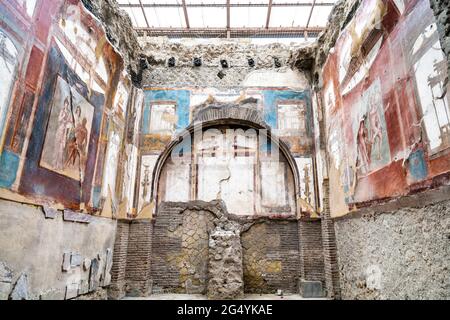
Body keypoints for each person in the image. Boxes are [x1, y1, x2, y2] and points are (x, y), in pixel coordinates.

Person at [55, 98, 73, 170]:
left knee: (61, 149)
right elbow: (59, 119)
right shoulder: (62, 111)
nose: (66, 105)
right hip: (60, 129)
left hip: (65, 131)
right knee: (57, 147)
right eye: (65, 104)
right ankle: (55, 164)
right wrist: (63, 117)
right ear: (64, 104)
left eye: (67, 104)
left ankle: (60, 165)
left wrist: (68, 124)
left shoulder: (68, 113)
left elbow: (70, 123)